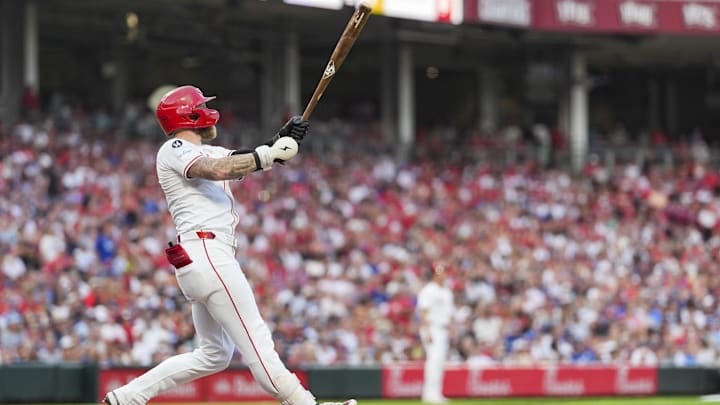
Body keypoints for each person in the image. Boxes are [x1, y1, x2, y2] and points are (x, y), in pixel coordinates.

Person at [102, 85, 356, 405]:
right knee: (258, 342)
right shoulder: (176, 147)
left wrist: (279, 140)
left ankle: (125, 398)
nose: (210, 112)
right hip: (208, 253)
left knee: (214, 354)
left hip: (199, 257)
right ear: (189, 115)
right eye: (201, 107)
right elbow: (215, 169)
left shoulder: (205, 150)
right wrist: (267, 155)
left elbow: (240, 158)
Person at [417, 263, 454, 404]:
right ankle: (429, 394)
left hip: (443, 329)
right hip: (432, 327)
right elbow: (423, 312)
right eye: (440, 272)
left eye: (444, 272)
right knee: (433, 361)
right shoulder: (428, 290)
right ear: (434, 274)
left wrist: (451, 330)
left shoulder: (446, 291)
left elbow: (449, 314)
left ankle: (436, 393)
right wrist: (427, 331)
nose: (443, 274)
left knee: (439, 362)